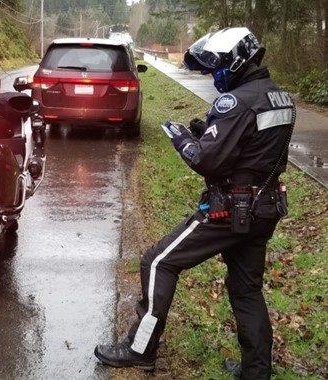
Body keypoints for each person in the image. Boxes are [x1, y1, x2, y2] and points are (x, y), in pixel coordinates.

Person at [94, 27, 295, 380]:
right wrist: (210, 132)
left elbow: (207, 162)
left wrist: (183, 139)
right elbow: (251, 150)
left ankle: (139, 350)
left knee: (157, 261)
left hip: (233, 209)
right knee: (247, 289)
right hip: (265, 208)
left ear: (235, 62)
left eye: (216, 67)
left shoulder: (235, 102)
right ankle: (256, 372)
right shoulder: (280, 97)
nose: (213, 75)